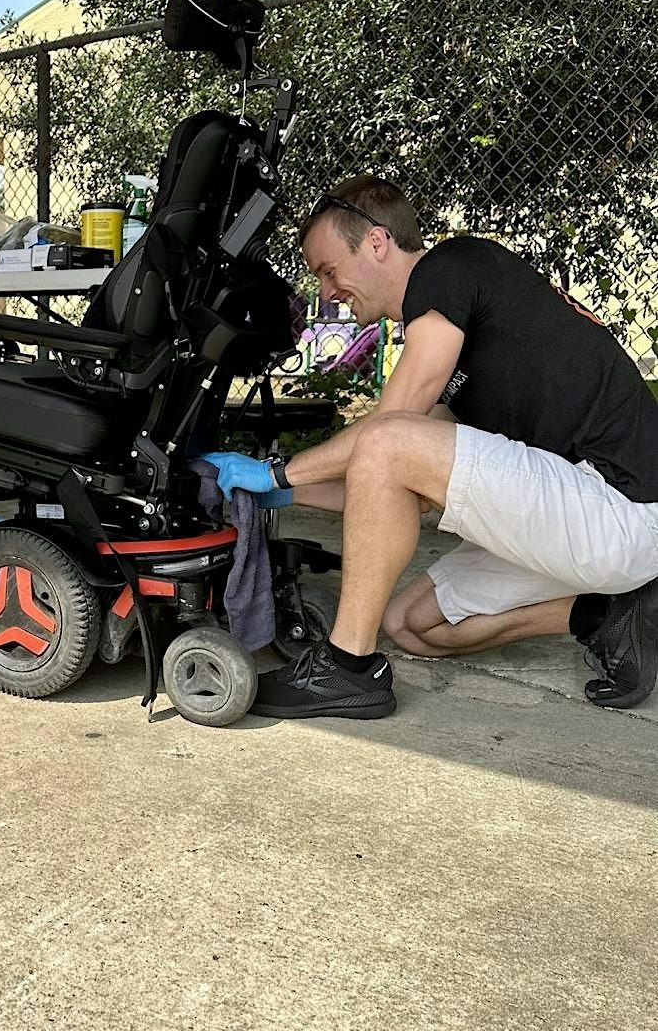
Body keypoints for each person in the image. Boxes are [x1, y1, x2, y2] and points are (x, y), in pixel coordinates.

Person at [204, 176, 658, 720]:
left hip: (622, 506)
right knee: (414, 625)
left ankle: (346, 668)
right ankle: (609, 613)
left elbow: (389, 432)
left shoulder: (449, 266)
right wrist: (289, 495)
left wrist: (277, 473)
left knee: (386, 435)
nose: (326, 293)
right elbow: (399, 491)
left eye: (328, 271)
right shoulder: (457, 350)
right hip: (583, 518)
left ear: (377, 242)